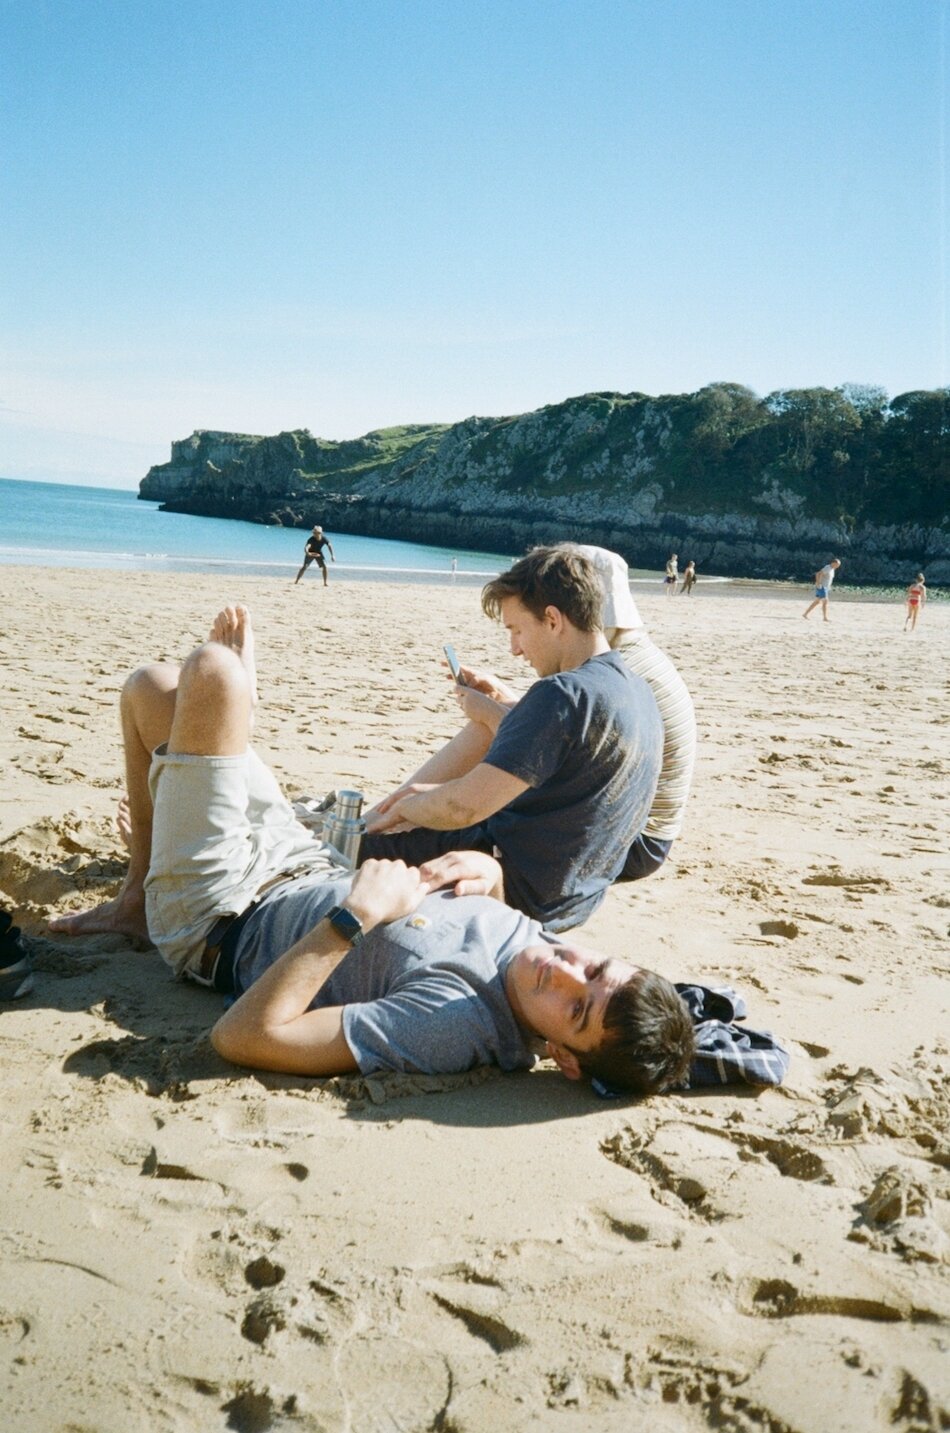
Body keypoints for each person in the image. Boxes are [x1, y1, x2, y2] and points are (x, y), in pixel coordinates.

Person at [49, 606, 694, 1095]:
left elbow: (245, 1037)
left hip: (221, 914)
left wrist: (353, 920)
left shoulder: (455, 1023)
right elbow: (484, 922)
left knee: (208, 674)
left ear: (566, 1059)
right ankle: (138, 890)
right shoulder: (539, 946)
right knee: (151, 689)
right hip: (300, 859)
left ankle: (223, 735)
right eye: (597, 967)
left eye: (577, 1009)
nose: (566, 971)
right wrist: (489, 873)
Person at [360, 545, 664, 931]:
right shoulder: (637, 690)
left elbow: (462, 809)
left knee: (357, 849)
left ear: (553, 619)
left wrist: (408, 807)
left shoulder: (563, 693)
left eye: (517, 630)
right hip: (573, 898)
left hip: (515, 887)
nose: (515, 649)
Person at [576, 546, 695, 882]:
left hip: (638, 842)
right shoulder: (637, 654)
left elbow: (574, 759)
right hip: (652, 830)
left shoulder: (618, 672)